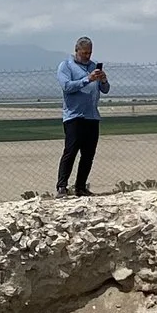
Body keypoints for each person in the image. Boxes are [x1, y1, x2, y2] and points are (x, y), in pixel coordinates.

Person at [56, 37, 110, 196]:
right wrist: (87, 79)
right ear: (77, 50)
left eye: (89, 53)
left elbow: (105, 90)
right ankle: (62, 187)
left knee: (88, 154)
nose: (87, 56)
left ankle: (80, 187)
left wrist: (103, 80)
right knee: (70, 152)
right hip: (74, 116)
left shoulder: (93, 66)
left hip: (92, 116)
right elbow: (67, 86)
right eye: (84, 53)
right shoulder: (66, 66)